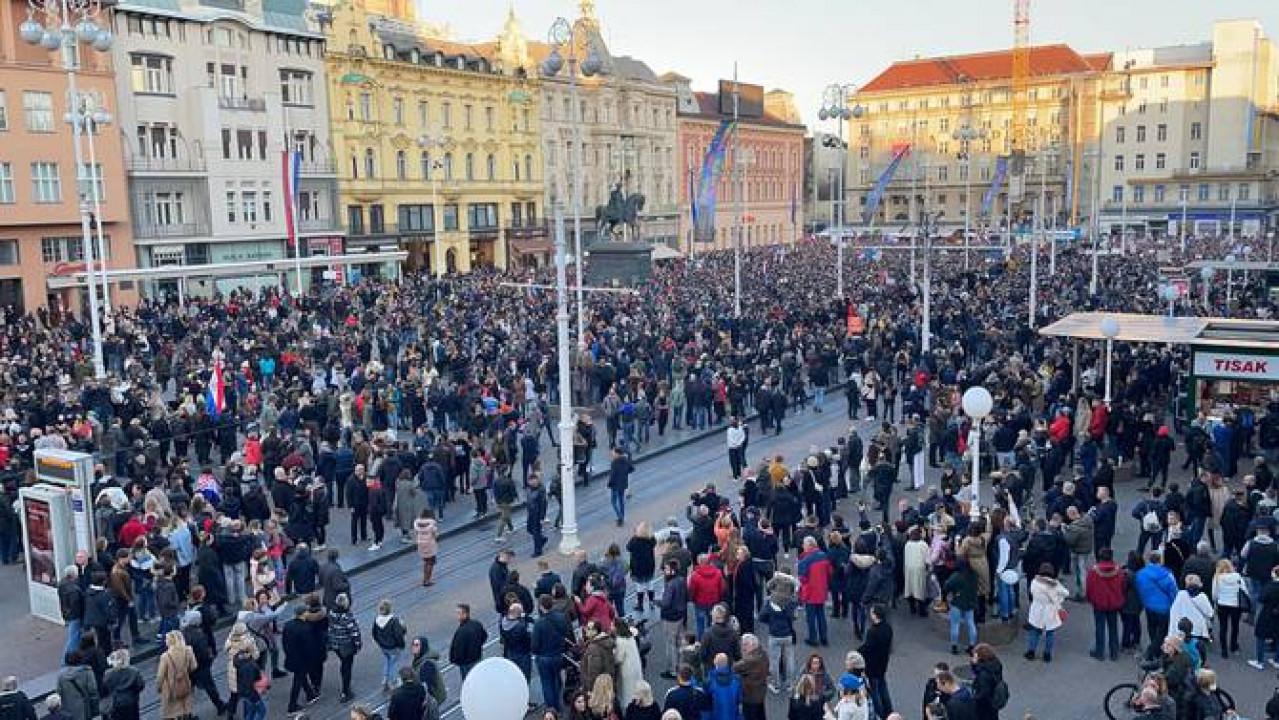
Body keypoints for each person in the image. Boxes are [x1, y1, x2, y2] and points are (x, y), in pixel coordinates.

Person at [1085, 546, 1126, 661]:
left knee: (1099, 627)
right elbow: (1123, 586)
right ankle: (1114, 653)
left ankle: (1099, 652)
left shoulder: (1094, 571)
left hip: (1099, 603)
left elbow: (1089, 587)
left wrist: (1090, 599)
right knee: (1113, 627)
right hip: (1114, 603)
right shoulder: (1118, 571)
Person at [1135, 552, 1179, 659]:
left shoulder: (1141, 573)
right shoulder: (1167, 574)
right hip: (1164, 607)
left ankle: (1155, 650)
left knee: (1152, 628)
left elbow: (1139, 589)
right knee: (1162, 631)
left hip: (1148, 606)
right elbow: (1173, 590)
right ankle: (1154, 651)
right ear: (1160, 560)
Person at [1025, 563, 1068, 663]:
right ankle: (1047, 654)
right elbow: (1066, 593)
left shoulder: (1034, 582)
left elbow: (1031, 592)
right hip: (1050, 610)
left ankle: (1031, 651)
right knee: (1050, 632)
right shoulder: (1055, 585)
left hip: (1037, 609)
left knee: (1034, 631)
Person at [327, 593, 363, 703]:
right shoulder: (347, 616)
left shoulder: (332, 613)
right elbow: (354, 632)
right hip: (346, 645)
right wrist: (358, 644)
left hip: (336, 644)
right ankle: (346, 691)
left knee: (344, 664)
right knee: (347, 666)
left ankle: (346, 688)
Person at [859, 604, 893, 716]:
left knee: (874, 690)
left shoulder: (873, 631)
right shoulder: (887, 628)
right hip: (883, 663)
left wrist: (857, 652)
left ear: (875, 615)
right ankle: (888, 709)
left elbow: (868, 648)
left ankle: (880, 712)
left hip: (872, 665)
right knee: (883, 686)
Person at [797, 537, 831, 647]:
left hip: (810, 591)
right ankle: (824, 637)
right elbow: (829, 572)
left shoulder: (805, 560)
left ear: (809, 545)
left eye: (804, 544)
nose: (803, 546)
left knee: (810, 617)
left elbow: (802, 578)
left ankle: (813, 638)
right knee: (821, 614)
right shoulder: (823, 555)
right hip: (821, 590)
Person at [155, 630, 196, 720]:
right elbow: (193, 666)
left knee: (171, 712)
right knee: (185, 707)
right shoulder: (188, 650)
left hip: (169, 688)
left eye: (166, 639)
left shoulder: (165, 656)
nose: (165, 641)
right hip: (185, 683)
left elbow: (160, 676)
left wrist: (158, 687)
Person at [943, 559, 980, 655]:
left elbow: (947, 586)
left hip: (957, 602)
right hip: (970, 602)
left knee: (955, 624)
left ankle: (954, 646)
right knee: (971, 623)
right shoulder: (974, 575)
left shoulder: (957, 576)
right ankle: (972, 646)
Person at [1211, 558, 1245, 659]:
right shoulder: (1237, 576)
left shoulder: (1217, 578)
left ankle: (1224, 651)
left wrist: (1217, 600)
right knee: (1235, 626)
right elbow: (1243, 590)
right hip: (1235, 605)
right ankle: (1233, 645)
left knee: (1223, 627)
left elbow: (1214, 594)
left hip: (1222, 604)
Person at [372, 599, 409, 692]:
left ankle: (385, 681)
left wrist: (380, 643)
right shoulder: (394, 621)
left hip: (383, 647)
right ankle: (394, 681)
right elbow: (398, 635)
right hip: (394, 647)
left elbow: (374, 634)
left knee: (387, 661)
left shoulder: (376, 620)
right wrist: (402, 645)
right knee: (394, 663)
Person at [733, 634, 769, 720]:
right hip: (760, 692)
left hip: (750, 696)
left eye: (745, 644)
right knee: (760, 715)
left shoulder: (749, 661)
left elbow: (734, 668)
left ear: (753, 645)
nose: (743, 647)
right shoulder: (763, 654)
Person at [449, 604, 488, 681]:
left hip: (466, 664)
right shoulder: (476, 624)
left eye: (458, 613)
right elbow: (484, 636)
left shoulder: (461, 631)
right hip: (478, 657)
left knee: (469, 682)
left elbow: (458, 651)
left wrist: (455, 660)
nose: (457, 616)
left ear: (465, 614)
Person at [55, 654, 99, 720]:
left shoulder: (61, 676)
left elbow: (58, 694)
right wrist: (95, 709)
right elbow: (93, 691)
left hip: (68, 713)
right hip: (85, 710)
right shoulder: (86, 671)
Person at [704, 653, 743, 720]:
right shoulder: (736, 680)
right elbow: (740, 702)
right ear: (727, 663)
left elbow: (706, 704)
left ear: (715, 663)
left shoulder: (710, 681)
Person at [414, 510, 439, 586]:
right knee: (431, 562)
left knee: (425, 562)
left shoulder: (417, 523)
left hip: (421, 545)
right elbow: (435, 534)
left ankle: (424, 579)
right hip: (430, 545)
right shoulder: (432, 523)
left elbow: (416, 533)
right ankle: (428, 580)